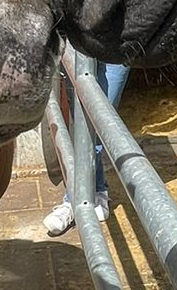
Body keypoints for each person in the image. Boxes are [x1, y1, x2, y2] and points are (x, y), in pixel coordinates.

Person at [42, 59, 130, 235]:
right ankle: (97, 190)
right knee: (83, 124)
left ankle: (73, 199)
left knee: (100, 122)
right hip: (80, 50)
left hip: (115, 48)